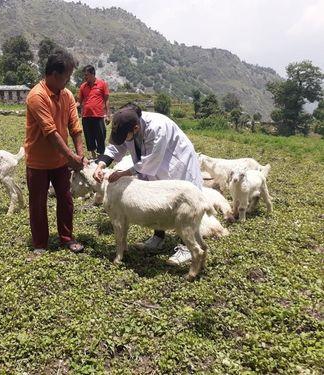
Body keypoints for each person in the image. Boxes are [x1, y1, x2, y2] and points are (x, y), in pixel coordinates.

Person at [93, 103, 203, 266]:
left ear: (136, 128)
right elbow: (116, 148)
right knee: (155, 201)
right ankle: (158, 238)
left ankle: (187, 247)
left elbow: (150, 161)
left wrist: (123, 173)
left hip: (174, 162)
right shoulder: (127, 124)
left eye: (126, 136)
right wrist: (101, 164)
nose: (124, 140)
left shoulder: (157, 127)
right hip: (151, 164)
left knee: (183, 205)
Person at [24, 48, 87, 254]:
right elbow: (50, 133)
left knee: (65, 198)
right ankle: (40, 243)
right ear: (54, 75)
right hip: (38, 161)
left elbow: (75, 127)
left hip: (61, 161)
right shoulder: (37, 96)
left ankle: (66, 237)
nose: (69, 81)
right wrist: (71, 158)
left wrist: (79, 154)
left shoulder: (67, 95)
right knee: (38, 203)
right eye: (67, 76)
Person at [77, 65, 111, 159]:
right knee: (89, 136)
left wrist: (108, 115)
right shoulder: (83, 87)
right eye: (84, 75)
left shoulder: (102, 84)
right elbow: (79, 102)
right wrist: (70, 107)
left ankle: (101, 155)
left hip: (98, 116)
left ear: (92, 74)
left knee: (101, 136)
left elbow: (107, 100)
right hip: (86, 116)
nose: (85, 77)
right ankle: (93, 155)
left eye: (87, 75)